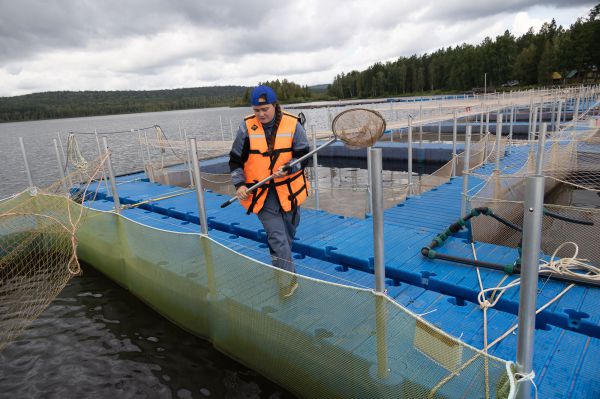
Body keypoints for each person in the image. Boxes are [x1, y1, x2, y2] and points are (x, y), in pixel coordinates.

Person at [229, 85, 310, 298]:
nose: (261, 114)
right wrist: (240, 185)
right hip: (263, 196)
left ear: (274, 105)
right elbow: (235, 161)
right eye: (257, 110)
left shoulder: (293, 125)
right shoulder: (246, 128)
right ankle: (288, 281)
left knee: (288, 236)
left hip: (290, 193)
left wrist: (289, 168)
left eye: (265, 109)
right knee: (277, 238)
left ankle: (279, 266)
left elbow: (304, 157)